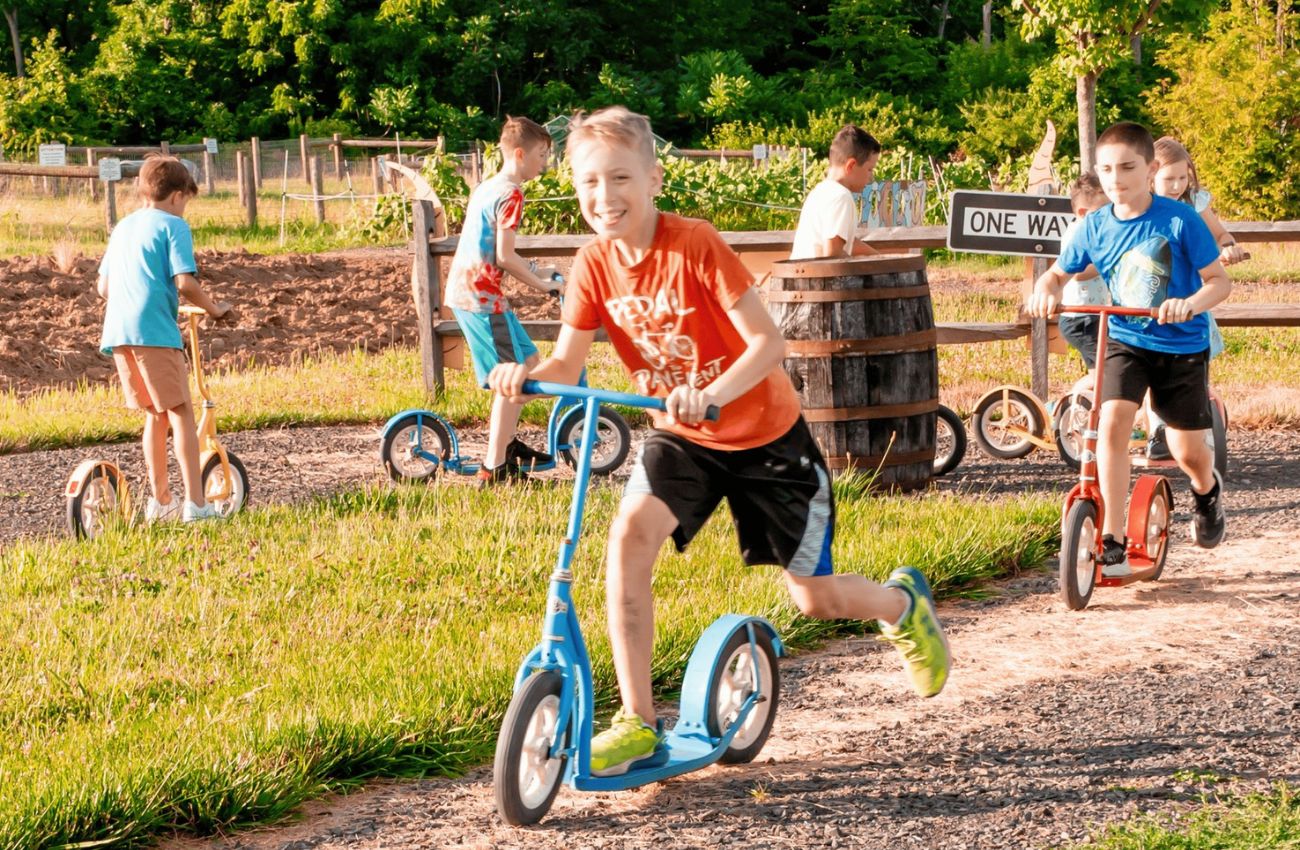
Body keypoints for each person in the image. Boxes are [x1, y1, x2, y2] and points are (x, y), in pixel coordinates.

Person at [490, 106, 950, 777]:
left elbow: (769, 343)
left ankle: (901, 605)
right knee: (627, 540)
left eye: (620, 178)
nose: (604, 196)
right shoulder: (592, 265)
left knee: (812, 599)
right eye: (589, 183)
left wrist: (713, 392)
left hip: (765, 436)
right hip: (682, 439)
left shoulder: (694, 244)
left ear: (653, 178)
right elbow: (564, 364)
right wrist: (523, 373)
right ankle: (638, 721)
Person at [1028, 122, 1232, 577]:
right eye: (1105, 169)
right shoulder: (1095, 225)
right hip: (1125, 337)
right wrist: (1046, 285)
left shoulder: (1180, 220)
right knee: (1113, 420)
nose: (1115, 179)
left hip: (1181, 344)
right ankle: (1113, 536)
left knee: (1186, 451)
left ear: (1151, 169)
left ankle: (1206, 490)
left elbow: (1220, 282)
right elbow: (1059, 273)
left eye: (1127, 167)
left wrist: (1188, 303)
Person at [97, 154, 233, 523]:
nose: (185, 209)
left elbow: (103, 287)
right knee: (182, 413)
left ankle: (160, 502)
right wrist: (215, 309)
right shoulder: (174, 226)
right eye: (186, 201)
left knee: (155, 415)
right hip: (154, 332)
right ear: (176, 195)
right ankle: (198, 506)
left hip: (119, 333)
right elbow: (185, 283)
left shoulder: (123, 226)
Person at [446, 115, 563, 485]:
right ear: (519, 154)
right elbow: (504, 257)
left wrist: (539, 271)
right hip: (480, 298)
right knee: (512, 380)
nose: (545, 162)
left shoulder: (488, 186)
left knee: (528, 362)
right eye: (542, 155)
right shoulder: (511, 192)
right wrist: (544, 286)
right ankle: (494, 467)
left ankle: (508, 445)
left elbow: (498, 251)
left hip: (477, 292)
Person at [1143, 136, 1242, 460]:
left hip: (1193, 299)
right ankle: (1158, 430)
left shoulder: (1194, 203)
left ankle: (1194, 428)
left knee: (1192, 368)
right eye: (1168, 179)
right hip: (1155, 298)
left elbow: (1219, 233)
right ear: (1151, 174)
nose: (1176, 185)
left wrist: (1228, 246)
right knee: (1152, 369)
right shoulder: (1143, 208)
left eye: (1182, 178)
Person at [790, 125, 882, 260]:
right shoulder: (841, 196)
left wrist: (881, 259)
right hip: (818, 278)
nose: (871, 177)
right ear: (850, 165)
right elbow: (832, 253)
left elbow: (842, 240)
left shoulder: (820, 191)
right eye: (869, 169)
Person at [1056, 172, 1110, 396]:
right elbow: (1075, 274)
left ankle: (1085, 408)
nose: (1109, 216)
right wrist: (1107, 263)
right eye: (1103, 211)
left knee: (1103, 370)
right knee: (1103, 373)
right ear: (1082, 213)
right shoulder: (1077, 233)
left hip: (1094, 314)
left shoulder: (1096, 232)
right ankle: (1070, 403)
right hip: (1079, 317)